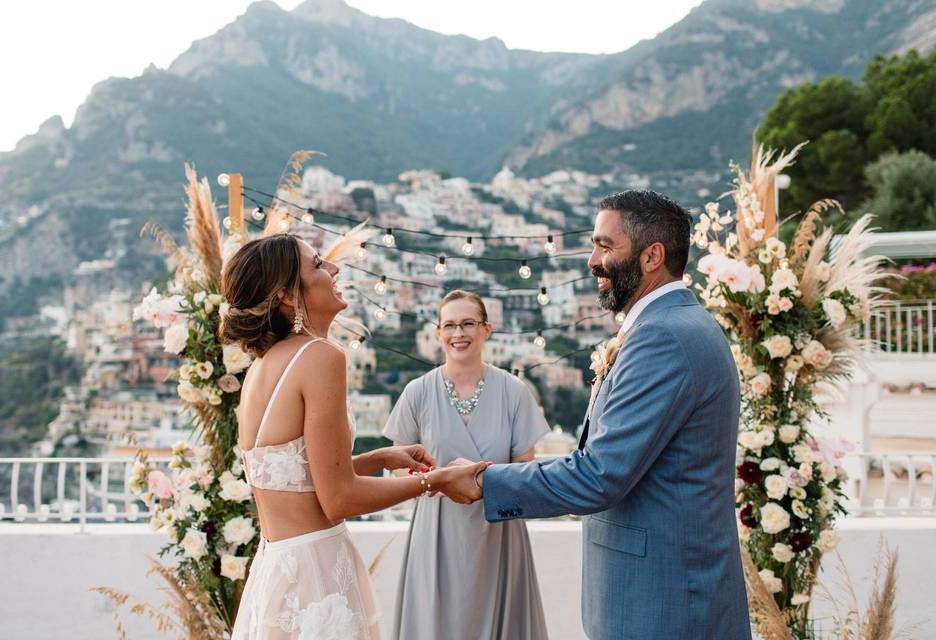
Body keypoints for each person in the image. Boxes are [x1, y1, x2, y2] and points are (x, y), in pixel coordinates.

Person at [433, 191, 753, 640]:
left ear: (651, 256)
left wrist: (485, 481)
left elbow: (599, 474)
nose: (592, 261)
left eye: (605, 245)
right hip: (660, 595)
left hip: (665, 606)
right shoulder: (673, 325)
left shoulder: (663, 337)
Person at [219, 234, 484, 640]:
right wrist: (438, 480)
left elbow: (291, 481)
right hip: (316, 579)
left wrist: (376, 458)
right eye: (318, 265)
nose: (334, 269)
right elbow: (339, 499)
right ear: (288, 295)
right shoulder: (321, 356)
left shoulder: (261, 368)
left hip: (275, 573)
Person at [383, 290, 550, 640]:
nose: (459, 333)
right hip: (437, 533)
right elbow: (397, 468)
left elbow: (525, 469)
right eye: (450, 325)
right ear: (439, 333)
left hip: (498, 533)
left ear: (486, 329)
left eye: (468, 323)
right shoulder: (417, 392)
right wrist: (439, 478)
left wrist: (484, 479)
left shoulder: (514, 391)